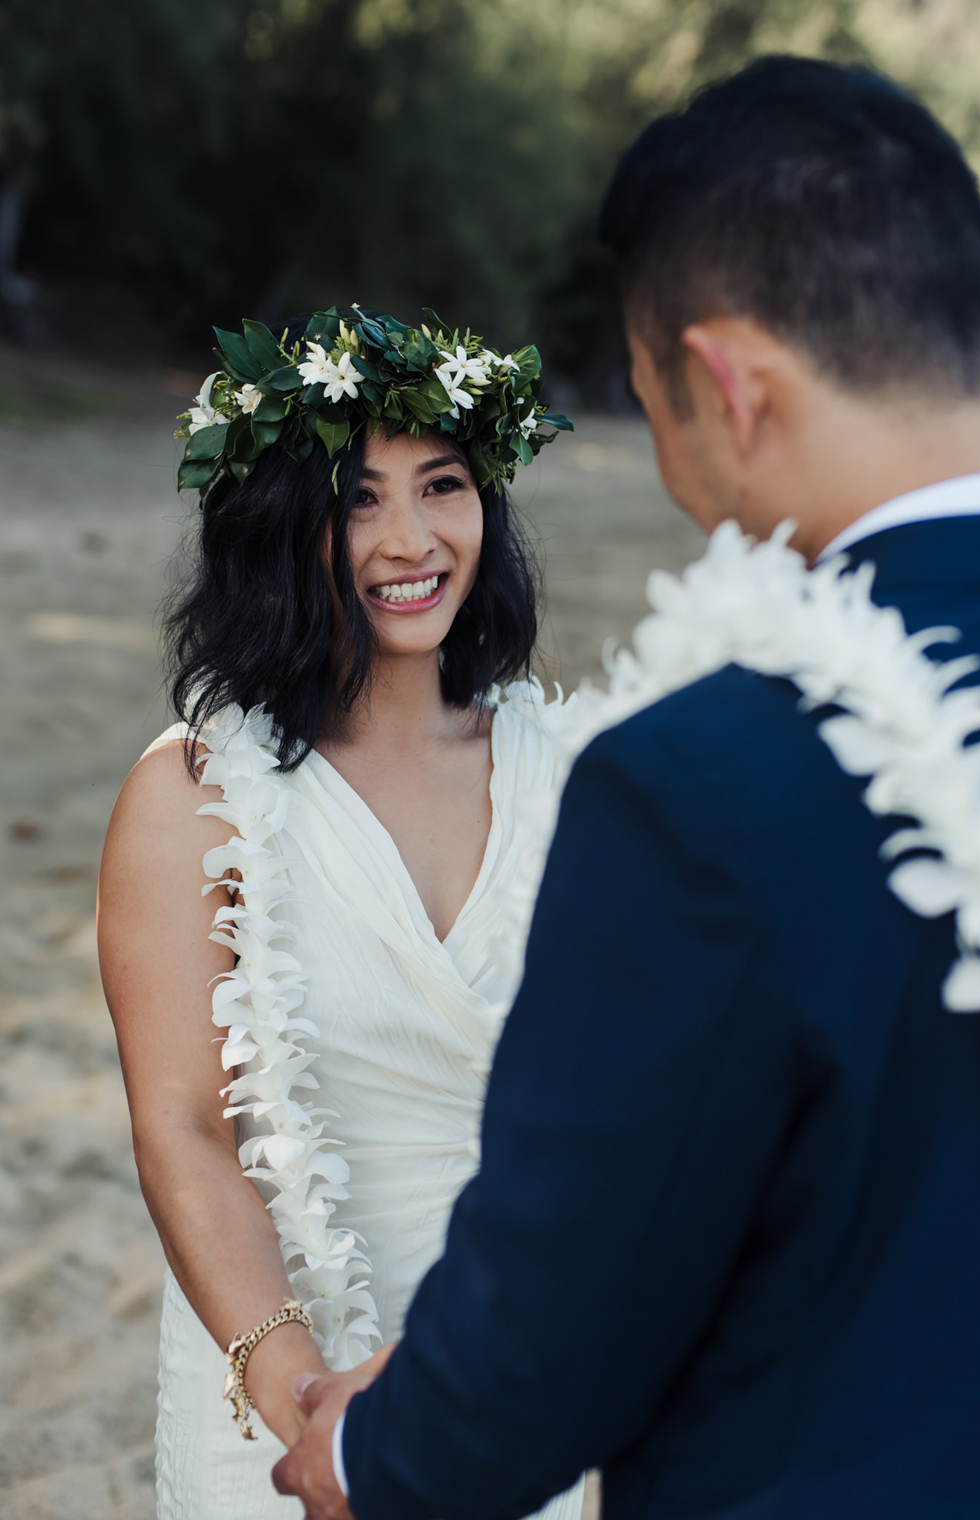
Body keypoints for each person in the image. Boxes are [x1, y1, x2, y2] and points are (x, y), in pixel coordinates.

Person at [269, 57, 980, 1519]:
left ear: (729, 384)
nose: (680, 475)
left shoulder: (699, 787)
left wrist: (369, 1451)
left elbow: (573, 1304)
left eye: (656, 406)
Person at [97, 310, 584, 1519]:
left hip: (532, 1362)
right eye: (358, 499)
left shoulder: (575, 769)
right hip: (289, 1374)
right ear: (279, 529)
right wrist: (317, 1407)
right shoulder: (190, 795)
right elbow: (186, 1132)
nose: (411, 539)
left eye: (443, 485)